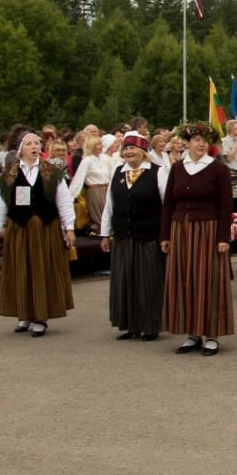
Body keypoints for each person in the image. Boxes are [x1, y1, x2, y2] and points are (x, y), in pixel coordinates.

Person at [0, 131, 76, 336]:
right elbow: (1, 205)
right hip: (19, 229)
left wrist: (69, 228)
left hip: (45, 228)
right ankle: (24, 314)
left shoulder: (52, 172)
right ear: (21, 149)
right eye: (29, 144)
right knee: (21, 270)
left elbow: (63, 201)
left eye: (37, 143)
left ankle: (41, 317)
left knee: (41, 270)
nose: (34, 146)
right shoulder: (9, 174)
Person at [160, 122, 234, 357]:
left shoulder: (218, 169)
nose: (201, 144)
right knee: (185, 280)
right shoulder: (178, 168)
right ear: (188, 142)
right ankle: (192, 332)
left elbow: (225, 205)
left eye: (205, 141)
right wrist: (165, 235)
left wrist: (223, 236)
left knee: (208, 279)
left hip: (208, 230)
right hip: (181, 229)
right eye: (196, 140)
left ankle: (211, 334)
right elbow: (168, 203)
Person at [100, 132, 168, 342]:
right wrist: (104, 232)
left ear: (143, 151)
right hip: (123, 236)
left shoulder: (158, 172)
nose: (129, 152)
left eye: (133, 148)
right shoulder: (118, 172)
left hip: (148, 236)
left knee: (148, 281)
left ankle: (150, 326)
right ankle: (129, 325)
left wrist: (166, 234)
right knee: (125, 280)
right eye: (126, 148)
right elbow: (109, 205)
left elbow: (167, 206)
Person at [68, 134, 112, 234]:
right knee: (101, 217)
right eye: (98, 144)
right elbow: (78, 179)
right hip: (95, 192)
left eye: (101, 144)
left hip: (106, 190)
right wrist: (70, 198)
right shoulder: (87, 161)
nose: (101, 146)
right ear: (92, 146)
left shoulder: (103, 159)